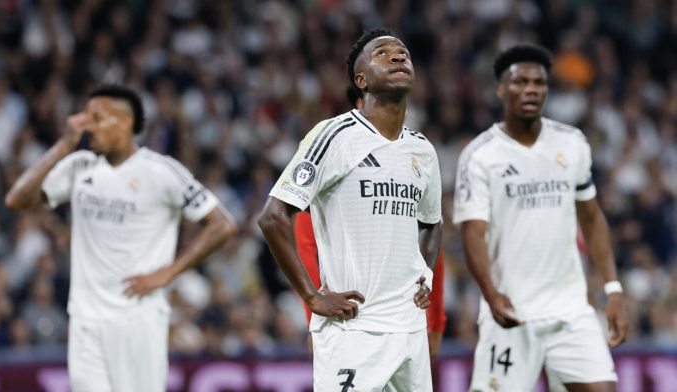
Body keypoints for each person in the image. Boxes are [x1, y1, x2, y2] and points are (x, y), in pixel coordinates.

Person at [5, 85, 237, 391]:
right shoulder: (79, 167)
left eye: (97, 118)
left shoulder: (161, 171)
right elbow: (17, 200)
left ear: (125, 122)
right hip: (85, 320)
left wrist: (168, 273)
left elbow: (221, 224)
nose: (88, 125)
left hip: (137, 319)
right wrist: (64, 144)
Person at [258, 28, 442, 391]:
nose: (398, 57)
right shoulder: (334, 136)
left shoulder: (422, 150)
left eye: (403, 53)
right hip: (354, 328)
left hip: (409, 326)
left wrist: (426, 274)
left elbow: (432, 223)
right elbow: (273, 216)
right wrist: (312, 296)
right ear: (362, 81)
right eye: (383, 54)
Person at [453, 44, 628, 391]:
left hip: (570, 310)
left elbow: (592, 219)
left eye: (539, 82)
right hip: (511, 312)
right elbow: (473, 233)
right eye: (521, 82)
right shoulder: (481, 155)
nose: (531, 89)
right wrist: (490, 293)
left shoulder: (572, 143)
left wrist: (613, 289)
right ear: (501, 89)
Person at [294, 85, 446, 358]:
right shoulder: (335, 151)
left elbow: (430, 241)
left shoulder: (417, 153)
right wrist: (312, 309)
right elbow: (306, 247)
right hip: (352, 323)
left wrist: (434, 322)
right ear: (360, 103)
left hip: (406, 323)